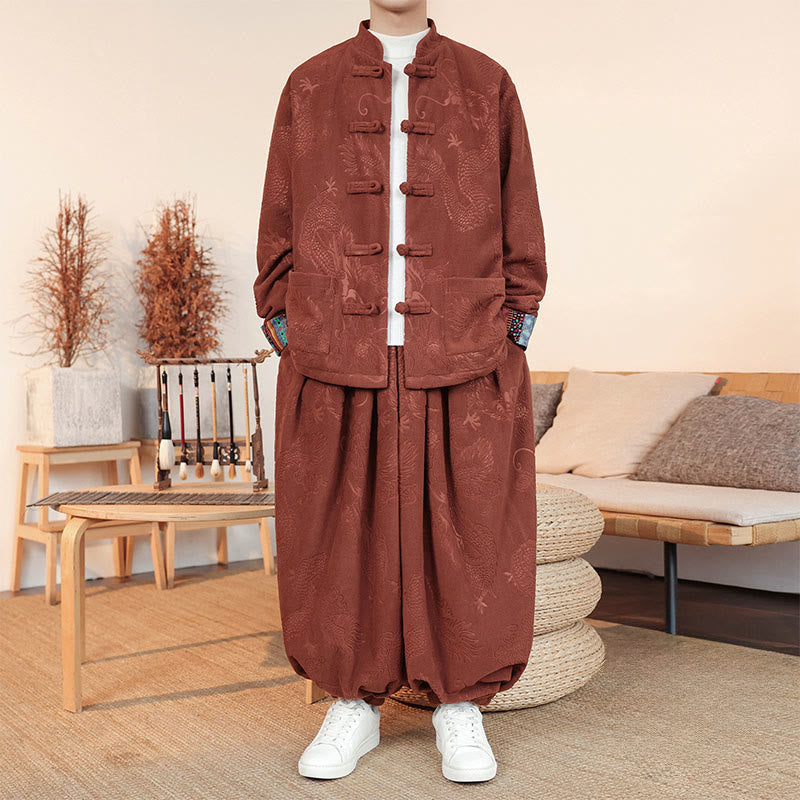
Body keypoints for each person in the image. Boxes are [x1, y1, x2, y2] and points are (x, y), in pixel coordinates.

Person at [254, 0, 547, 783]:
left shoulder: (486, 83)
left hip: (460, 343)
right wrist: (286, 329)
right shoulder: (309, 85)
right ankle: (352, 702)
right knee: (335, 534)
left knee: (473, 531)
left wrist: (511, 334)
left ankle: (460, 705)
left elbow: (520, 217)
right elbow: (280, 222)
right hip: (334, 346)